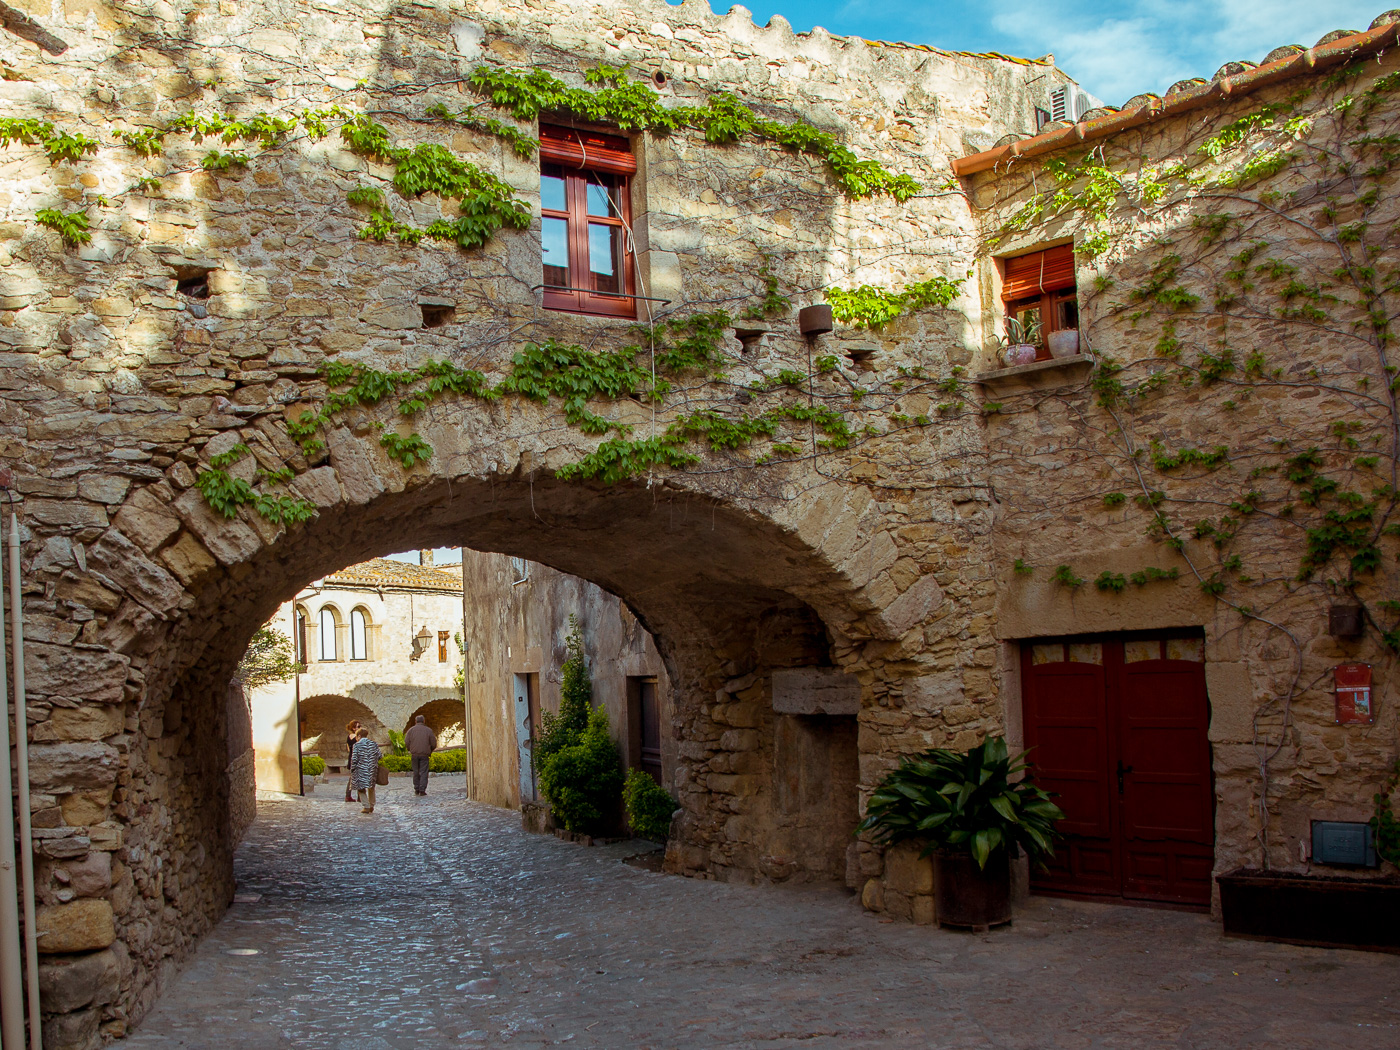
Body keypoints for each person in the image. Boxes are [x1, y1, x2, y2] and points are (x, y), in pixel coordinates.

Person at [348, 727, 381, 814]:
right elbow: (380, 756)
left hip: (361, 770)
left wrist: (352, 770)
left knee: (361, 788)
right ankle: (372, 805)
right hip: (372, 769)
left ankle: (366, 806)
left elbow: (354, 759)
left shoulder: (357, 745)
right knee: (371, 787)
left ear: (359, 736)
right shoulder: (374, 744)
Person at [404, 715, 438, 796]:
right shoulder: (428, 730)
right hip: (424, 754)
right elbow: (433, 743)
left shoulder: (411, 730)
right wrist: (430, 750)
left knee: (416, 772)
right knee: (423, 772)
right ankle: (422, 789)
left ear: (416, 721)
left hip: (414, 754)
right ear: (424, 721)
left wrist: (410, 749)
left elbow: (406, 742)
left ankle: (417, 788)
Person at [343, 720, 361, 802]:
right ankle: (360, 796)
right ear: (354, 728)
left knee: (352, 778)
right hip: (357, 758)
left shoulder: (348, 737)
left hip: (351, 757)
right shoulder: (357, 737)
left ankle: (348, 795)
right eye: (358, 726)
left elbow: (348, 749)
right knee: (359, 778)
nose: (360, 728)